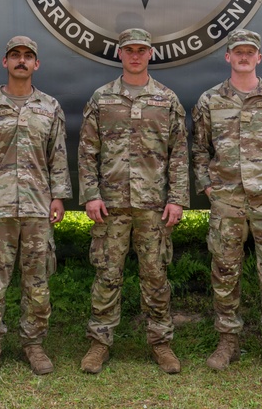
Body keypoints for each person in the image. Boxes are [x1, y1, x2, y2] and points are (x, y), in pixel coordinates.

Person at [78, 28, 190, 375]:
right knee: (107, 274)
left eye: (142, 50)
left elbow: (178, 154)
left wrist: (177, 199)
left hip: (153, 205)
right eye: (130, 50)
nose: (136, 55)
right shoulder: (102, 98)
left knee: (155, 275)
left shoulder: (166, 99)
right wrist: (91, 195)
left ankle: (161, 343)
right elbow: (87, 151)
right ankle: (99, 342)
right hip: (111, 204)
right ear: (120, 54)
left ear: (150, 54)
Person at [0, 36, 72, 376]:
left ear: (37, 64)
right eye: (15, 55)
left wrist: (58, 196)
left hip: (38, 207)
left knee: (38, 283)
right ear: (5, 62)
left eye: (27, 56)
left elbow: (58, 156)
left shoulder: (50, 107)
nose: (21, 61)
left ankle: (33, 344)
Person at [191, 29, 262, 376]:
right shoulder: (210, 100)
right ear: (228, 57)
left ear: (258, 58)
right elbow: (199, 150)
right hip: (227, 201)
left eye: (249, 52)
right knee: (225, 273)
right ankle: (228, 341)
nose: (243, 57)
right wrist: (209, 188)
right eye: (237, 52)